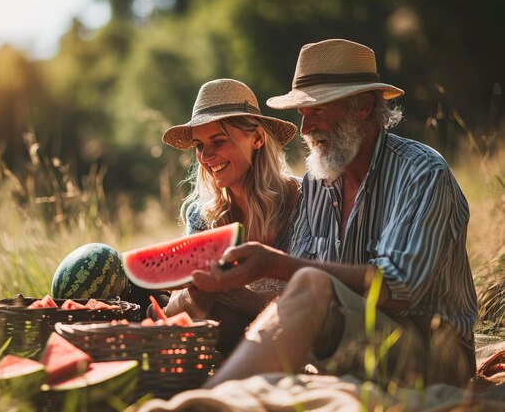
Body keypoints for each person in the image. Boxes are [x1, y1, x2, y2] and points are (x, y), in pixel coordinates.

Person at [193, 39, 478, 388]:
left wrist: (273, 263)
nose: (305, 128)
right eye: (302, 114)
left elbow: (398, 288)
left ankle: (207, 401)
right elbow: (292, 290)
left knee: (312, 283)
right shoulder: (317, 182)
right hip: (350, 339)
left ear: (362, 107)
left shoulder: (422, 172)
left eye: (317, 111)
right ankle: (220, 392)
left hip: (434, 354)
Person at [159, 78, 301, 354]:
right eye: (199, 145)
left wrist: (234, 294)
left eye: (219, 141)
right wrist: (197, 295)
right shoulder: (202, 215)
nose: (206, 156)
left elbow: (312, 299)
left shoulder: (304, 201)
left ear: (257, 138)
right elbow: (172, 307)